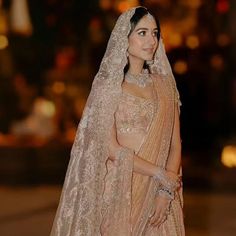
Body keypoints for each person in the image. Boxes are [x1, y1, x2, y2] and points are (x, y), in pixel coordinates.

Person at [50, 6, 185, 236]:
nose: (150, 40)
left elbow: (175, 144)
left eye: (154, 33)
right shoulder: (108, 89)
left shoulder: (164, 87)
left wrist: (165, 191)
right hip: (120, 193)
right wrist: (159, 173)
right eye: (142, 32)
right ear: (125, 38)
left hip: (160, 193)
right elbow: (112, 148)